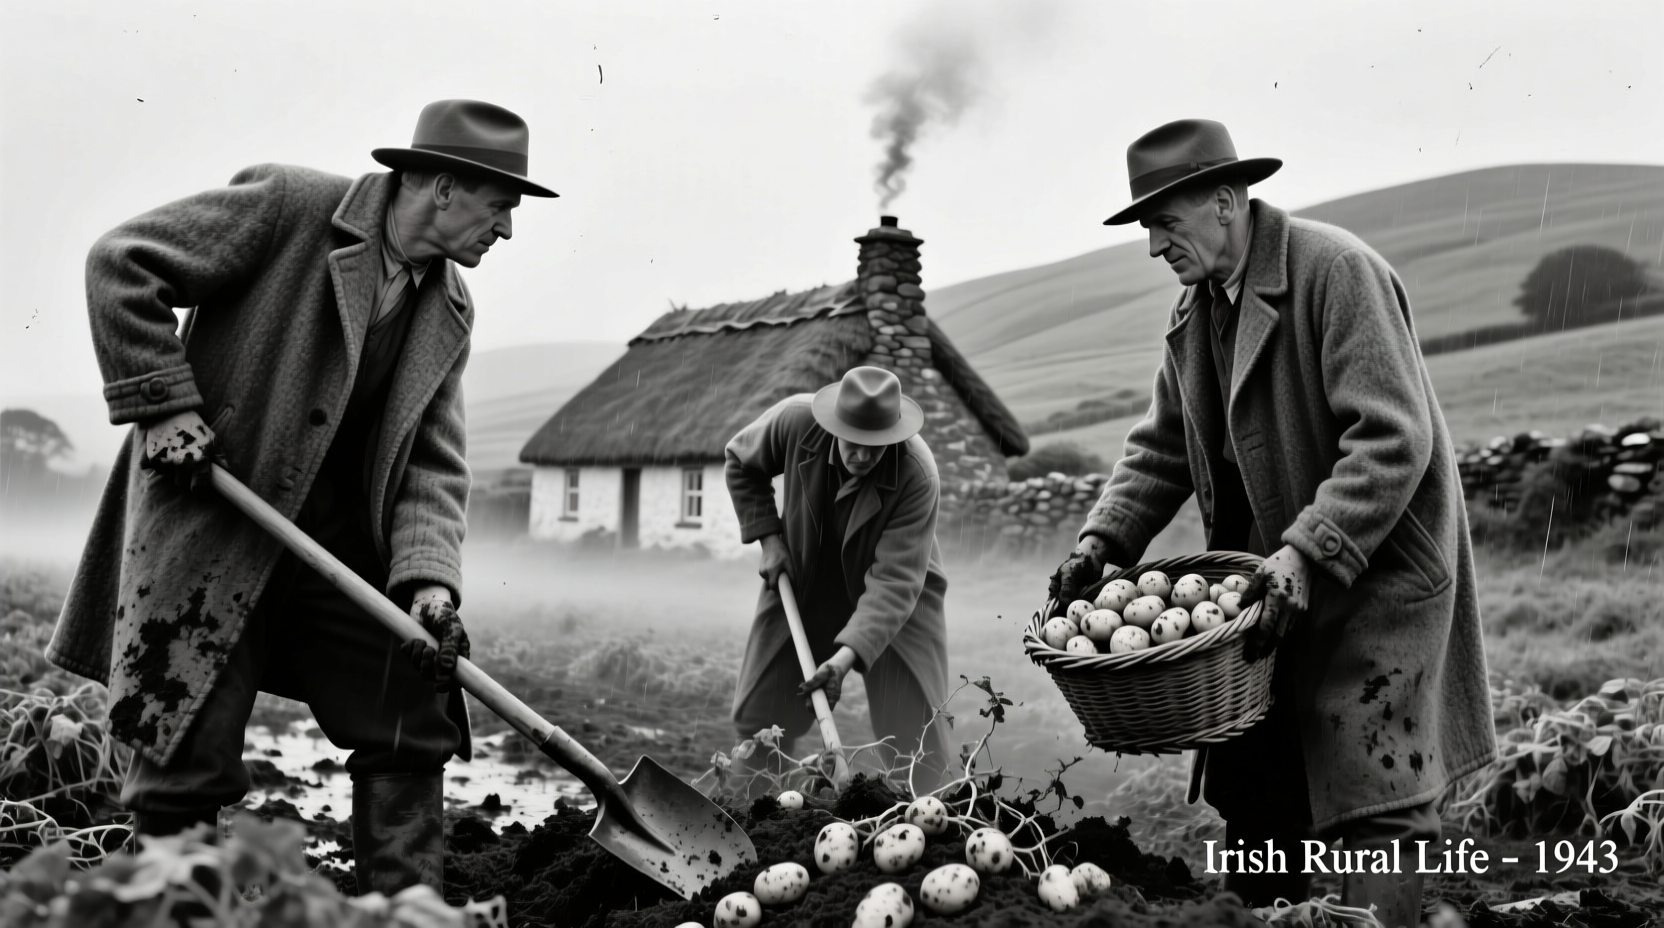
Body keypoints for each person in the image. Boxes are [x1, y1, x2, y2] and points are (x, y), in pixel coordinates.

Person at [47, 99, 557, 894]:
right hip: (217, 526)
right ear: (444, 187)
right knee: (186, 741)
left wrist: (429, 585)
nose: (508, 229)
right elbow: (121, 263)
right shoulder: (290, 209)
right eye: (501, 206)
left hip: (334, 551)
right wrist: (166, 404)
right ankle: (175, 907)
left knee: (410, 705)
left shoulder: (448, 308)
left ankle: (406, 910)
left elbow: (432, 462)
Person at [1048, 119, 1496, 926]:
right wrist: (1100, 541)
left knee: (1378, 787)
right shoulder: (1195, 314)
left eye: (1164, 223)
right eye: (1147, 227)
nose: (1153, 246)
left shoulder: (1336, 272)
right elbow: (1161, 448)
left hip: (1375, 573)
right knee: (1255, 780)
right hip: (1269, 584)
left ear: (1225, 202)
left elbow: (1391, 439)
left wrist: (1306, 551)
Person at [725, 366, 953, 792]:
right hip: (805, 569)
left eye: (876, 447)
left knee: (915, 733)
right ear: (834, 425)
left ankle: (929, 812)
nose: (863, 456)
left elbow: (894, 581)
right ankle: (744, 806)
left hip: (898, 589)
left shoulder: (918, 474)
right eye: (853, 443)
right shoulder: (795, 422)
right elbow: (740, 462)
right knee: (763, 711)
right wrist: (769, 539)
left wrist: (842, 661)